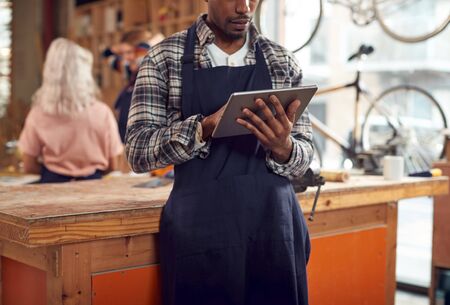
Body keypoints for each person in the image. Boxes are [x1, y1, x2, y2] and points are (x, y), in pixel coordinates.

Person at [126, 0, 314, 304]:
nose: (245, 8)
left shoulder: (281, 60)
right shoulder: (164, 59)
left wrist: (284, 148)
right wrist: (206, 126)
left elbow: (305, 152)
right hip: (200, 234)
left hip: (274, 230)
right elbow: (137, 151)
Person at [18, 38, 123, 183]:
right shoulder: (102, 112)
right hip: (94, 190)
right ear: (85, 74)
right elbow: (113, 165)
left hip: (52, 188)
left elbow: (28, 166)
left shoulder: (38, 114)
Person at [103, 30, 164, 143]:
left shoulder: (152, 73)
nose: (126, 58)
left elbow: (145, 58)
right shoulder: (128, 70)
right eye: (122, 53)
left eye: (130, 52)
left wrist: (145, 45)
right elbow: (106, 55)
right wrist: (115, 49)